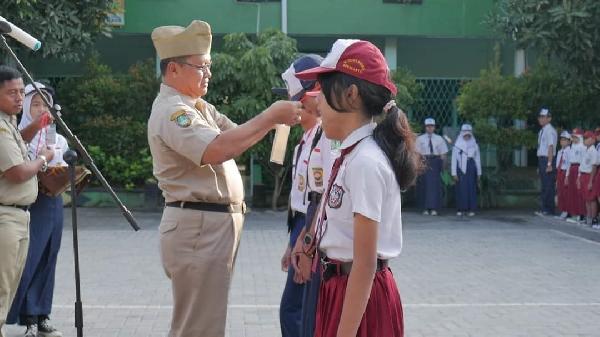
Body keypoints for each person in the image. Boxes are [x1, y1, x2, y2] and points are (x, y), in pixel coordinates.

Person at [147, 21, 301, 337]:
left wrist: (276, 121)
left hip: (209, 226)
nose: (209, 74)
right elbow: (217, 149)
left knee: (206, 320)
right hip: (197, 227)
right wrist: (271, 116)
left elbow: (237, 136)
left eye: (209, 66)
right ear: (173, 69)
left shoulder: (198, 106)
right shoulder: (174, 111)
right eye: (201, 67)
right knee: (198, 326)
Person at [295, 38, 424, 337]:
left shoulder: (365, 162)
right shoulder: (352, 154)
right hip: (342, 288)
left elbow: (364, 265)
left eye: (324, 95)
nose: (316, 105)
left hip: (359, 295)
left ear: (351, 94)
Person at [272, 54, 332, 337]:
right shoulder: (303, 142)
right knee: (298, 310)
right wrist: (292, 243)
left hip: (313, 229)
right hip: (302, 227)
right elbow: (300, 199)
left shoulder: (326, 138)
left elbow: (322, 198)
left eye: (297, 99)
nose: (293, 107)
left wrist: (307, 243)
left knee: (299, 311)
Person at [7, 83, 66, 337]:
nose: (43, 109)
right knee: (29, 259)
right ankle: (26, 315)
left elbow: (61, 162)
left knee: (49, 256)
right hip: (31, 202)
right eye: (37, 104)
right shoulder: (17, 134)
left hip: (55, 200)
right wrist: (43, 159)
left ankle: (43, 313)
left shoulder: (57, 137)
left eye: (47, 104)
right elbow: (20, 168)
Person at [0, 65, 54, 337]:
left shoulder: (8, 122)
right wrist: (43, 159)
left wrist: (38, 124)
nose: (19, 98)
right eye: (11, 92)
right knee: (1, 289)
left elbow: (17, 143)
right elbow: (18, 172)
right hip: (5, 217)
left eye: (22, 91)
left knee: (9, 288)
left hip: (18, 215)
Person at [415, 118, 448, 216]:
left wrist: (444, 166)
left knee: (435, 186)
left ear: (434, 127)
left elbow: (443, 154)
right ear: (425, 127)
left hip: (435, 162)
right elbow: (417, 153)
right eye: (428, 126)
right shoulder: (420, 139)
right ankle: (425, 208)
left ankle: (434, 208)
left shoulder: (439, 139)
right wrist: (417, 165)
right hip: (424, 161)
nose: (430, 128)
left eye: (431, 126)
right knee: (424, 185)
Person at [536, 108, 558, 216]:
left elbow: (550, 147)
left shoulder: (550, 131)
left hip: (547, 159)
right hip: (542, 159)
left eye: (543, 117)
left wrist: (549, 164)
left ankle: (549, 209)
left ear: (549, 118)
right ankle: (544, 207)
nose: (541, 119)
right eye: (540, 117)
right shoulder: (542, 130)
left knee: (548, 185)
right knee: (544, 185)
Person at [565, 129, 586, 223]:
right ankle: (573, 213)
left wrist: (579, 175)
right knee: (571, 192)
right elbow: (569, 162)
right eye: (572, 137)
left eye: (575, 137)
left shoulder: (582, 147)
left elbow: (582, 162)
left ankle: (581, 214)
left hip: (578, 169)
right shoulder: (572, 147)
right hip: (572, 168)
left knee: (579, 193)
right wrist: (567, 175)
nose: (573, 139)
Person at [578, 131, 598, 226]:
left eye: (587, 138)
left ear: (592, 139)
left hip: (589, 175)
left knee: (591, 198)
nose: (585, 140)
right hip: (583, 174)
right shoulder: (586, 150)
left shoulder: (594, 151)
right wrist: (579, 178)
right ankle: (588, 217)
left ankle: (593, 218)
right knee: (586, 198)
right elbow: (582, 165)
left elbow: (594, 166)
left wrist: (590, 181)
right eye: (584, 138)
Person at [555, 131, 571, 220]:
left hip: (565, 172)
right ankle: (562, 210)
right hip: (560, 172)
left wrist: (567, 176)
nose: (562, 141)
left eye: (565, 140)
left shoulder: (569, 151)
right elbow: (558, 164)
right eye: (561, 140)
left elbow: (569, 164)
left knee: (566, 193)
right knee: (560, 192)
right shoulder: (560, 151)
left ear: (569, 141)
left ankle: (567, 210)